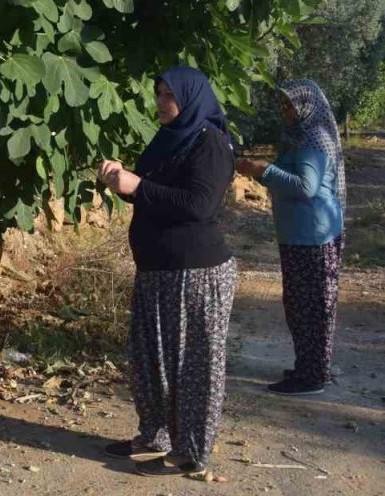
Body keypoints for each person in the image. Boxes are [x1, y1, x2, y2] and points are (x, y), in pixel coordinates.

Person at [97, 66, 237, 478]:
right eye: (157, 93)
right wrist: (120, 182)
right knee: (149, 360)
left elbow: (199, 205)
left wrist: (137, 186)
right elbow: (153, 196)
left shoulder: (210, 143)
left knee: (193, 367)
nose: (159, 102)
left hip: (196, 274)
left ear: (190, 98)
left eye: (167, 95)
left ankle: (191, 451)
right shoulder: (169, 139)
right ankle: (154, 434)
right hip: (157, 270)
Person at [236, 79, 345, 396]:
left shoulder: (312, 138)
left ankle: (313, 376)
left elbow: (306, 187)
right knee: (299, 304)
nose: (286, 110)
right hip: (299, 235)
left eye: (290, 104)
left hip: (313, 236)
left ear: (307, 106)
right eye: (283, 104)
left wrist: (262, 171)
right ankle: (308, 366)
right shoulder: (297, 136)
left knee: (311, 306)